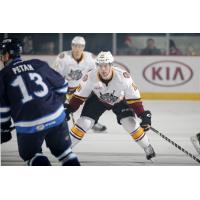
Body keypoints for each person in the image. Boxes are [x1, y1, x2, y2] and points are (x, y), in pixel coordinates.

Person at [0, 38, 80, 166]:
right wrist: (57, 105)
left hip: (29, 124)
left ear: (7, 55)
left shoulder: (3, 76)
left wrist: (3, 129)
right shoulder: (38, 64)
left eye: (1, 54)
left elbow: (3, 109)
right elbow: (63, 86)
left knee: (32, 155)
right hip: (56, 117)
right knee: (65, 153)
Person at [65, 51, 156, 160]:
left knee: (129, 123)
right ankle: (65, 150)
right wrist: (69, 108)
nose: (103, 69)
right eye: (100, 66)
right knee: (84, 123)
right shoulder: (90, 76)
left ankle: (147, 146)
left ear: (111, 65)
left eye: (106, 65)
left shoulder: (123, 77)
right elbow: (78, 97)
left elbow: (134, 100)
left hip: (120, 101)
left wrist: (142, 115)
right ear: (97, 65)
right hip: (97, 100)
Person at [53, 36, 107, 132]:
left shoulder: (90, 58)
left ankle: (92, 121)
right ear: (72, 46)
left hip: (82, 87)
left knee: (96, 99)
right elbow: (55, 75)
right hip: (64, 87)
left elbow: (98, 73)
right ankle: (56, 123)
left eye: (80, 46)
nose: (77, 49)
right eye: (75, 46)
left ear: (84, 47)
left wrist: (98, 85)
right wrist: (61, 89)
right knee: (56, 106)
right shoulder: (63, 57)